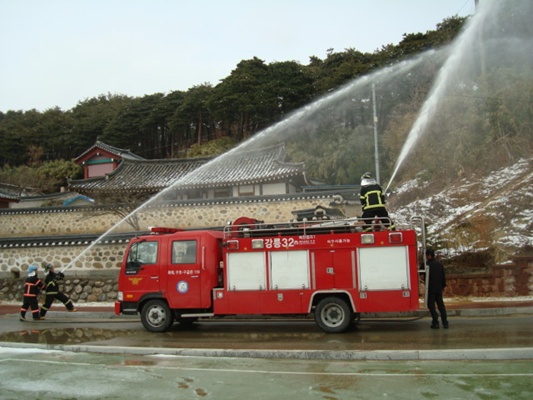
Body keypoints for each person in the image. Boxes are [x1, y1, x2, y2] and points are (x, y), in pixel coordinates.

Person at [425, 248, 449, 329]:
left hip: (430, 288)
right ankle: (445, 323)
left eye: (426, 255)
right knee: (441, 305)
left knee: (431, 305)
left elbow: (421, 273)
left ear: (428, 255)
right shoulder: (439, 264)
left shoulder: (427, 264)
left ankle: (435, 322)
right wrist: (443, 286)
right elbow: (443, 276)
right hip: (438, 288)